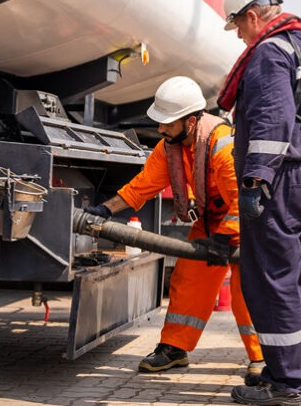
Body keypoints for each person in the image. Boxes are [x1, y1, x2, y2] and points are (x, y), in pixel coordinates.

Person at [85, 76, 264, 385]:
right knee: (187, 281)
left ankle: (262, 358)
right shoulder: (171, 147)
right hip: (211, 222)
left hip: (248, 225)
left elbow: (242, 200)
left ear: (191, 121)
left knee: (246, 293)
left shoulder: (224, 147)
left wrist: (224, 239)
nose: (160, 129)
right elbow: (142, 186)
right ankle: (175, 348)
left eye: (167, 123)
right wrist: (105, 209)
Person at [217, 0, 301, 405]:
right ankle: (284, 367)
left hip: (281, 180)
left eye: (238, 26)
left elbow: (271, 121)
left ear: (251, 15)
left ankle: (289, 386)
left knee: (270, 282)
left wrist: (255, 180)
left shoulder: (268, 52)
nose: (240, 36)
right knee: (285, 279)